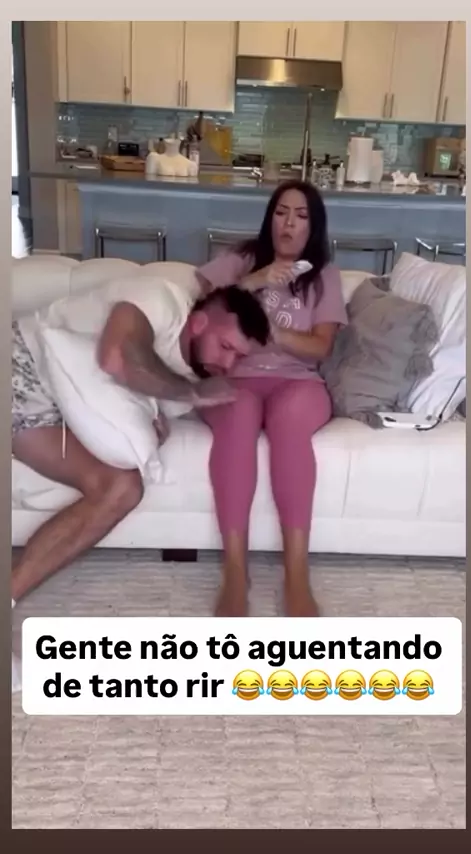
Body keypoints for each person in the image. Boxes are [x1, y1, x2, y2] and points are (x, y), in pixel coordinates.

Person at [11, 278, 270, 605]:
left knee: (123, 489)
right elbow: (117, 356)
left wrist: (156, 424)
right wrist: (192, 393)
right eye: (226, 347)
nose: (228, 365)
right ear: (199, 323)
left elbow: (147, 413)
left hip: (52, 413)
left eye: (239, 357)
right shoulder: (160, 298)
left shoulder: (192, 375)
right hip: (21, 362)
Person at [196, 180, 348, 618]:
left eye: (301, 216)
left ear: (314, 226)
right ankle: (235, 573)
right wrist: (252, 283)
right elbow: (201, 312)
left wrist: (274, 331)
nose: (289, 224)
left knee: (289, 424)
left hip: (297, 381)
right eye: (281, 212)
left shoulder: (324, 275)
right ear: (270, 218)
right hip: (237, 375)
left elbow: (320, 348)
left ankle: (296, 575)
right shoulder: (242, 259)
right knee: (238, 417)